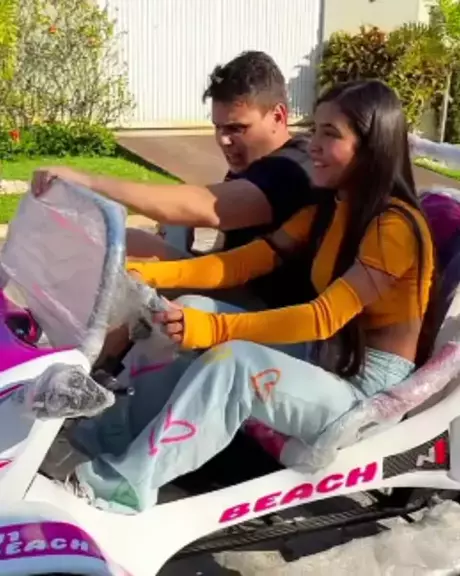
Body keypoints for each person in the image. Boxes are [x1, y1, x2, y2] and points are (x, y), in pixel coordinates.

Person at [58, 79, 436, 514]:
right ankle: (121, 440)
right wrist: (152, 274)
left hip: (364, 393)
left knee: (234, 362)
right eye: (314, 129)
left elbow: (322, 318)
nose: (313, 144)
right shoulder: (332, 208)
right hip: (325, 358)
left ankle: (125, 487)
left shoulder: (395, 227)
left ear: (372, 147)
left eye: (331, 134)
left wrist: (215, 329)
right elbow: (242, 263)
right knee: (185, 310)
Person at [32, 50, 320, 308]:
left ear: (278, 117)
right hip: (232, 282)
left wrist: (89, 181)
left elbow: (209, 206)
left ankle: (97, 349)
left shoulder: (293, 167)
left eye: (237, 128)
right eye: (218, 127)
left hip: (268, 311)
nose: (223, 140)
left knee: (136, 276)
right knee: (126, 241)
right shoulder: (253, 163)